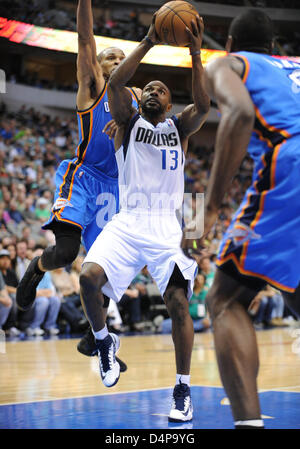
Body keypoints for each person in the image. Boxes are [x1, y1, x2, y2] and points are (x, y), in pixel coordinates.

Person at [79, 14, 209, 423]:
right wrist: (150, 39)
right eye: (148, 88)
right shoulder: (127, 122)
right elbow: (116, 84)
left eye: (160, 90)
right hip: (129, 219)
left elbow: (204, 104)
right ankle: (104, 344)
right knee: (87, 278)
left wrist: (194, 52)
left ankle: (182, 389)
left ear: (170, 104)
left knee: (177, 303)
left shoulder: (180, 128)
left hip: (166, 227)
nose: (152, 91)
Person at [16, 0, 139, 369]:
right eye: (110, 58)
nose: (117, 62)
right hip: (83, 178)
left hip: (115, 189)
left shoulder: (132, 102)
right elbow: (86, 38)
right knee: (68, 254)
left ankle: (95, 337)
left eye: (122, 58)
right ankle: (38, 267)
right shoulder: (92, 88)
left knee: (105, 268)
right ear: (97, 68)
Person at [192, 9, 300, 429]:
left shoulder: (230, 63)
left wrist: (211, 207)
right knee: (293, 292)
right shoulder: (293, 68)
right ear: (276, 48)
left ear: (232, 45)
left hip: (289, 162)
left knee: (224, 299)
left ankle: (248, 426)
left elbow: (236, 113)